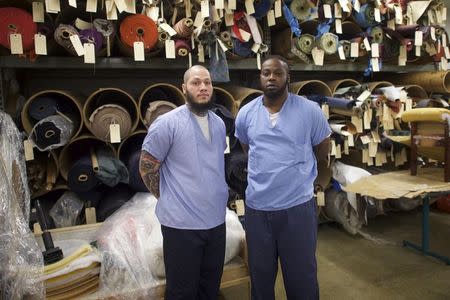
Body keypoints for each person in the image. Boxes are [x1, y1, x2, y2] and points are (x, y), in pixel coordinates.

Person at [235, 56, 331, 300]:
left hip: (297, 208)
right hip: (258, 210)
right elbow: (248, 149)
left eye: (277, 73)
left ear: (288, 77)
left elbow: (322, 150)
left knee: (301, 277)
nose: (271, 78)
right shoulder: (246, 113)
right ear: (260, 77)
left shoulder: (309, 111)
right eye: (266, 73)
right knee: (261, 277)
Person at [139, 65, 229, 300]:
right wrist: (168, 197)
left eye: (207, 82)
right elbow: (147, 166)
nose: (203, 87)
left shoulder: (219, 124)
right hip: (182, 227)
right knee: (182, 292)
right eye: (196, 82)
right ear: (184, 88)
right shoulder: (167, 124)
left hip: (216, 222)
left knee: (209, 287)